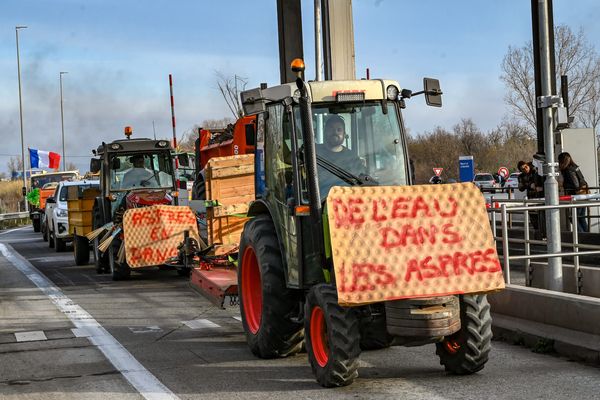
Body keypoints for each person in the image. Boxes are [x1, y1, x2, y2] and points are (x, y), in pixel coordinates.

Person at [316, 115, 364, 194]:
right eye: (331, 129)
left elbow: (360, 183)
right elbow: (289, 158)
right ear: (325, 132)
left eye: (339, 130)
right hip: (319, 202)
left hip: (345, 200)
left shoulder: (352, 157)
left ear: (344, 134)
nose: (335, 132)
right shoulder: (314, 152)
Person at [558, 152, 589, 232]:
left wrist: (564, 185)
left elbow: (575, 184)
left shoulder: (569, 170)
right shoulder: (574, 167)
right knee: (581, 217)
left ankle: (582, 236)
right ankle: (588, 237)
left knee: (573, 217)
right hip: (584, 193)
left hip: (577, 196)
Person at [517, 160, 545, 238]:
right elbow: (521, 187)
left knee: (542, 216)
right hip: (531, 198)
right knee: (533, 217)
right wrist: (529, 185)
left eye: (526, 167)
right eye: (522, 169)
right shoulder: (521, 176)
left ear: (528, 165)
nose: (525, 169)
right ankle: (538, 236)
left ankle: (544, 234)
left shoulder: (535, 171)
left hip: (540, 197)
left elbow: (540, 183)